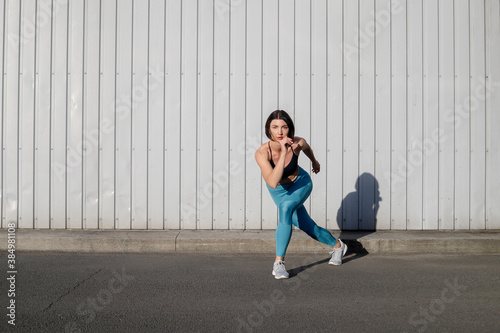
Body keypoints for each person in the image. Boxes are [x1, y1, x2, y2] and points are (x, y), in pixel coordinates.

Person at [254, 110, 347, 279]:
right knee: (309, 227)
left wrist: (314, 162)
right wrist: (283, 153)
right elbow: (273, 182)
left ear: (290, 129)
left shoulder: (297, 143)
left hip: (301, 183)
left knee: (285, 208)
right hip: (279, 190)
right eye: (275, 127)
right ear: (269, 130)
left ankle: (279, 263)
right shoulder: (262, 153)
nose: (280, 132)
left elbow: (307, 148)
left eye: (284, 127)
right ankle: (338, 246)